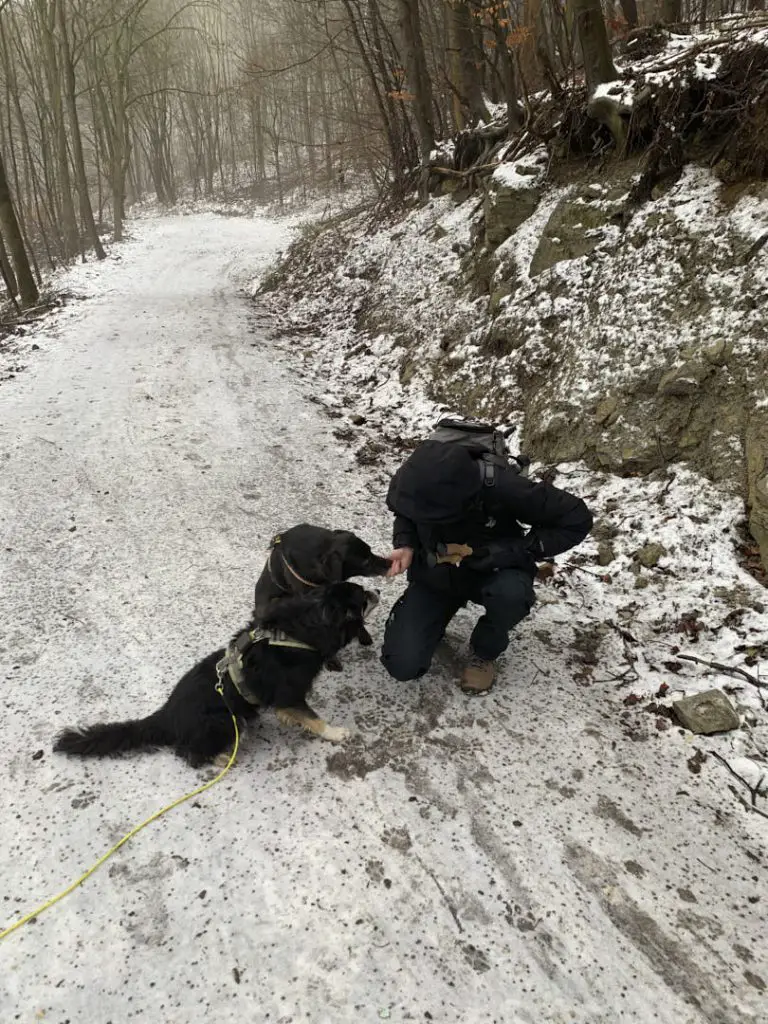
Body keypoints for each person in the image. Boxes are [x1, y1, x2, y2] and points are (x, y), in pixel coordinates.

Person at [381, 438, 593, 693]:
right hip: (439, 572)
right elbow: (405, 511)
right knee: (403, 665)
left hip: (495, 569)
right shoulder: (415, 480)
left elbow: (576, 520)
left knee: (511, 594)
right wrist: (405, 544)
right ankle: (430, 625)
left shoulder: (503, 487)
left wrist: (505, 551)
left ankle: (484, 651)